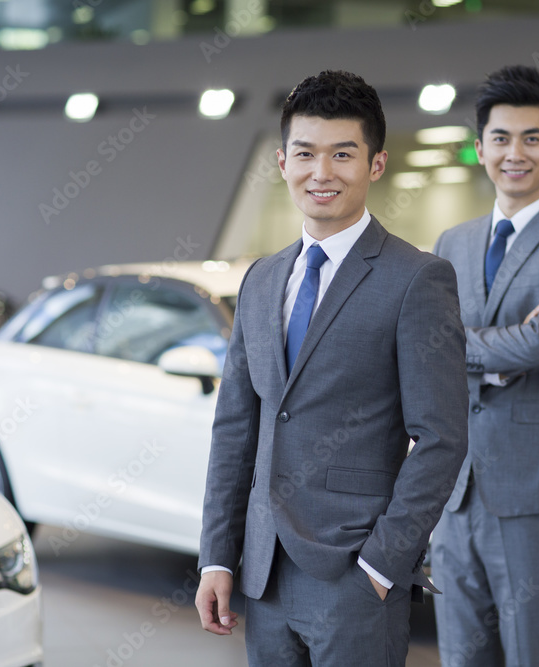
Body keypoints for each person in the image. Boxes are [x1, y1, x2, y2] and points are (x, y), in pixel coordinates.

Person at [194, 69, 468, 667]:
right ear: (282, 161)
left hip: (353, 574)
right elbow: (236, 427)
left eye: (343, 154)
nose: (322, 172)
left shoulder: (416, 279)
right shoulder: (261, 279)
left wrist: (381, 564)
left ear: (375, 164)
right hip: (262, 575)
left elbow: (442, 438)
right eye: (306, 153)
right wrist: (218, 555)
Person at [432, 64, 539, 666]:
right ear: (479, 148)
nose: (515, 153)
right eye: (501, 138)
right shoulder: (451, 243)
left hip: (534, 489)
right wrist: (499, 350)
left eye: (532, 138)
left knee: (535, 654)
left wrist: (463, 344)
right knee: (461, 654)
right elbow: (428, 347)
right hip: (454, 490)